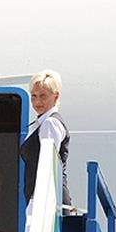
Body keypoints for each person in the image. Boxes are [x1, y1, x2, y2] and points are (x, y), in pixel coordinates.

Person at [20, 70, 71, 212]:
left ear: (56, 96)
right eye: (34, 96)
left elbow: (47, 163)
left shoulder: (50, 123)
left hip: (46, 201)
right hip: (42, 198)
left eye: (43, 96)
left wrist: (38, 202)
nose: (37, 102)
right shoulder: (41, 123)